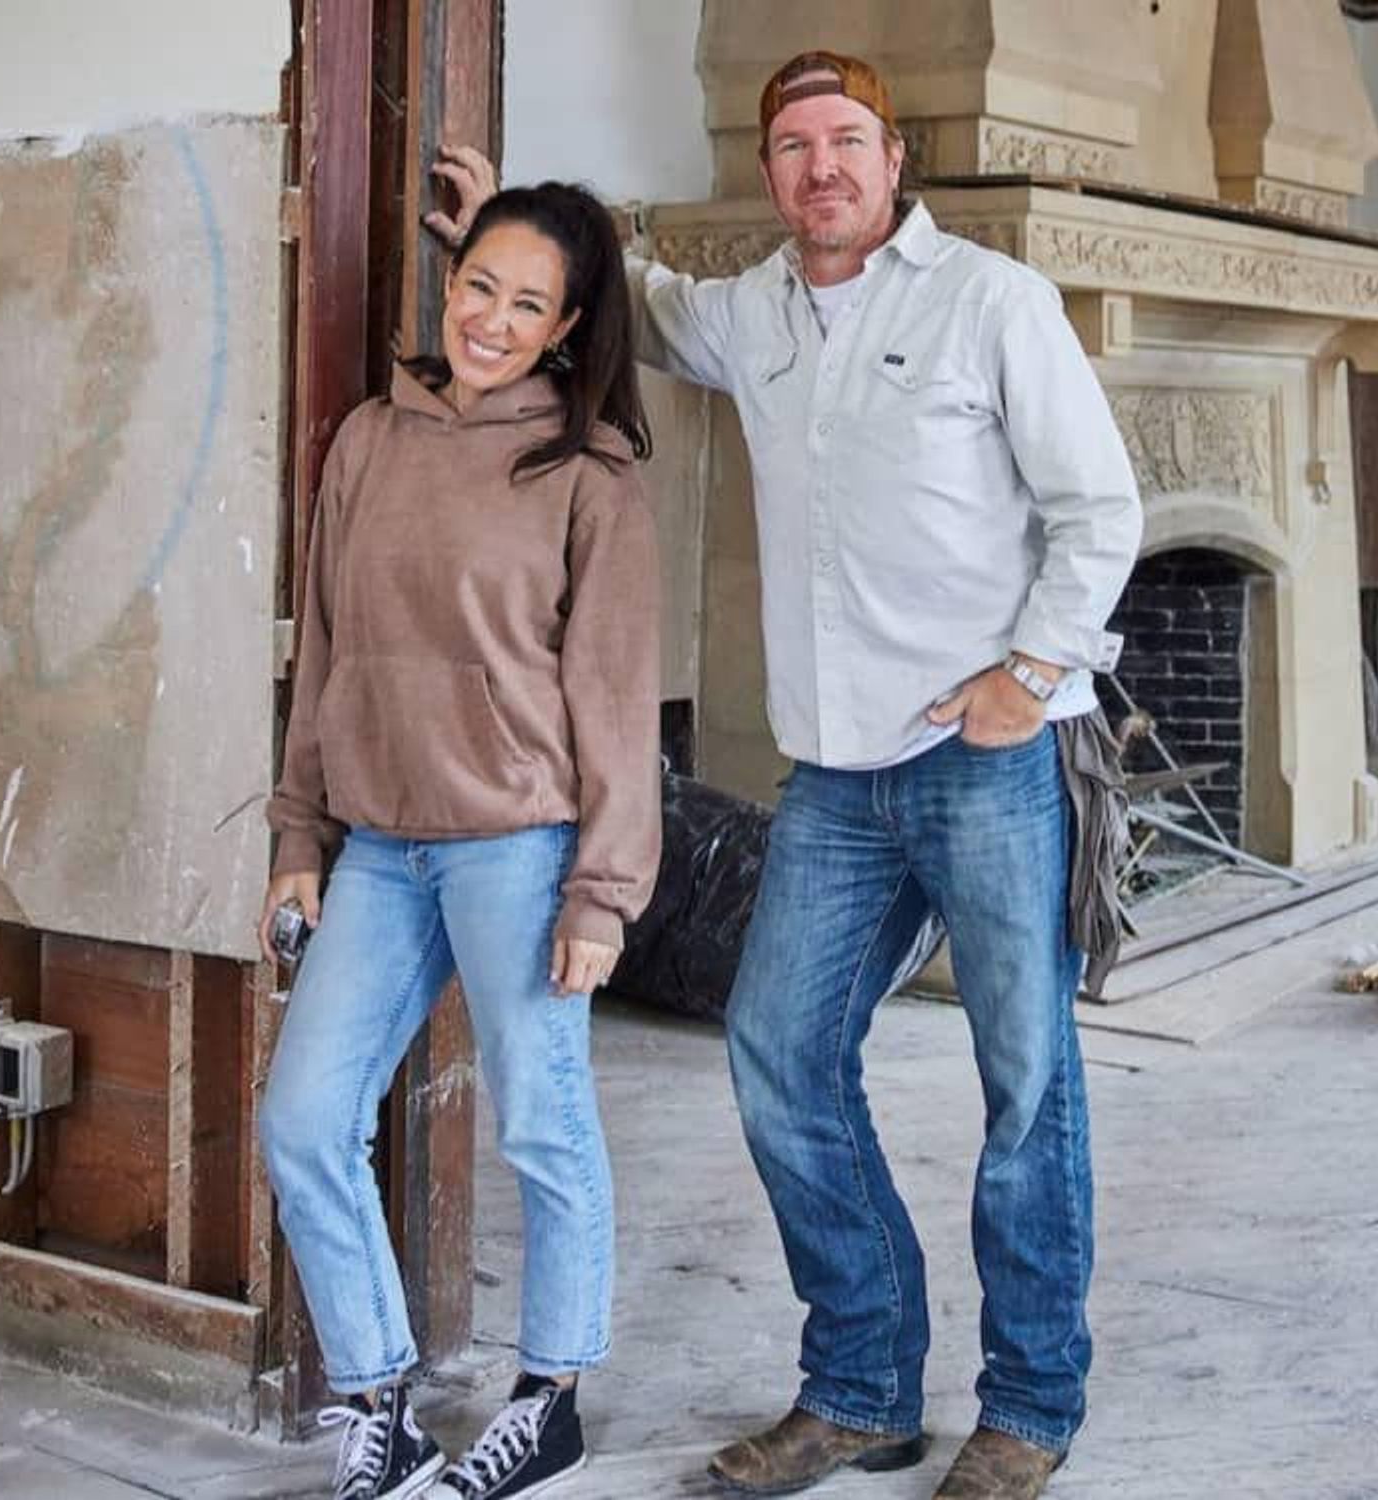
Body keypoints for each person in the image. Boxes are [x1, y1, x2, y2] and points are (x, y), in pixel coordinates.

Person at [435, 45, 1140, 1500]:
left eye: (849, 141)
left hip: (982, 761)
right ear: (769, 174)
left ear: (894, 161)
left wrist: (1031, 672)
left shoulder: (993, 304)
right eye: (795, 146)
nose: (823, 166)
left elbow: (1101, 506)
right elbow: (615, 291)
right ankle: (864, 1390)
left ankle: (1030, 1404)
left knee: (1028, 1089)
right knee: (779, 1057)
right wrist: (507, 221)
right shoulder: (745, 313)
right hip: (837, 779)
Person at [258, 180, 661, 1500]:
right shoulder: (372, 437)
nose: (491, 317)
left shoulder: (590, 473)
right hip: (378, 843)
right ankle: (378, 1395)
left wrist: (602, 891)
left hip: (521, 848)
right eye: (478, 284)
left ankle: (549, 1399)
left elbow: (609, 693)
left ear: (567, 326)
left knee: (543, 1127)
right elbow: (325, 645)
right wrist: (299, 829)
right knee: (305, 1119)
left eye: (527, 302)